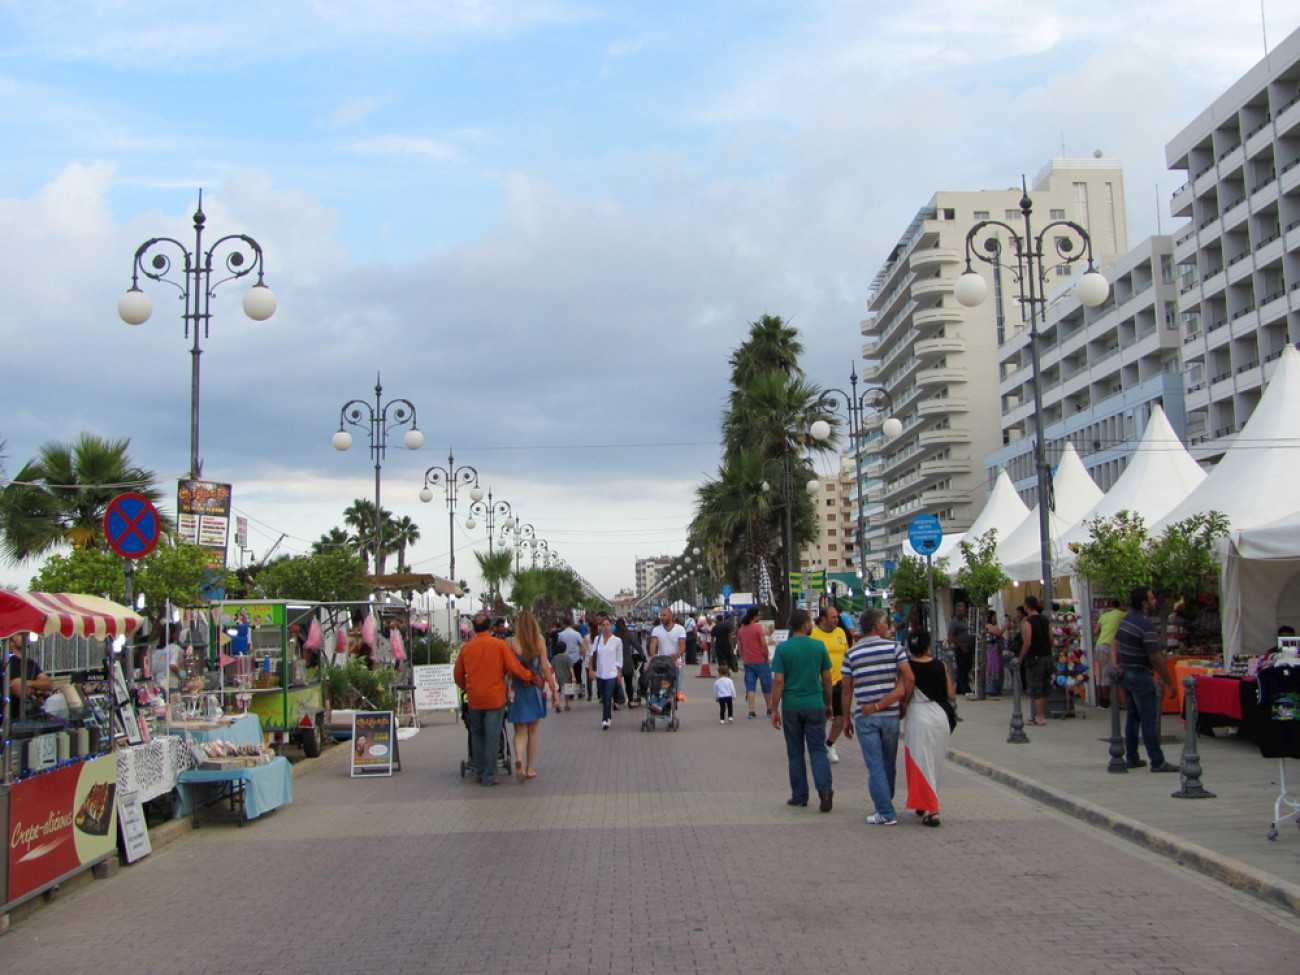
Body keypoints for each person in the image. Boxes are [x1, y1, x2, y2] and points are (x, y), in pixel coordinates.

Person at [454, 611, 544, 786]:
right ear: (490, 627)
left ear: (473, 628)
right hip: (495, 698)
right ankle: (489, 775)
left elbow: (457, 674)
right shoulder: (499, 645)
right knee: (493, 735)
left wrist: (466, 687)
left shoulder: (466, 649)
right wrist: (530, 676)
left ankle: (479, 770)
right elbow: (514, 667)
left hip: (474, 699)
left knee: (477, 733)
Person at [842, 607, 914, 826]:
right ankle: (886, 804)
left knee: (875, 765)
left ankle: (885, 810)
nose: (888, 627)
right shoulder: (894, 647)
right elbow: (909, 677)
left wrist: (846, 718)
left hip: (866, 714)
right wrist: (904, 702)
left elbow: (847, 689)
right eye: (885, 623)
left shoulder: (852, 653)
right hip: (890, 714)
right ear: (876, 626)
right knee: (888, 763)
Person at [770, 610, 834, 812]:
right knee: (818, 749)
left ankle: (799, 795)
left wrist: (774, 708)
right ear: (806, 625)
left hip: (792, 706)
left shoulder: (783, 649)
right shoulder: (818, 646)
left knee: (795, 752)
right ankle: (825, 789)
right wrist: (828, 702)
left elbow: (778, 681)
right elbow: (827, 677)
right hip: (815, 703)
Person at [1115, 586, 1179, 772]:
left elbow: (1116, 641)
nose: (1155, 601)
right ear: (1144, 603)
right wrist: (1169, 682)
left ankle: (1132, 757)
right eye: (1152, 598)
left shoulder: (1126, 620)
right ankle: (1157, 761)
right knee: (1148, 719)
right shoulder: (1145, 624)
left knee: (1133, 717)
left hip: (1126, 673)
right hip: (1140, 674)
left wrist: (1116, 663)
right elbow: (1155, 656)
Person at [902, 628, 953, 827]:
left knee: (920, 761)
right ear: (929, 646)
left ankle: (933, 809)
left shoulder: (906, 667)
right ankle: (925, 801)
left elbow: (904, 690)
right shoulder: (941, 665)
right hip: (940, 716)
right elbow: (950, 693)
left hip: (919, 715)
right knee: (935, 760)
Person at [507, 611, 559, 781]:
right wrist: (554, 688)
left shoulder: (510, 642)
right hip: (535, 688)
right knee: (533, 731)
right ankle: (529, 769)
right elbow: (544, 667)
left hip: (517, 688)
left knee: (520, 731)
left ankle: (519, 759)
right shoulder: (540, 642)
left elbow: (505, 668)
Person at [809, 605, 850, 765]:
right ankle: (817, 745)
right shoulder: (813, 634)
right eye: (833, 617)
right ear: (824, 619)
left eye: (837, 617)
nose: (836, 620)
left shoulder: (840, 633)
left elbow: (847, 653)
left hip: (839, 681)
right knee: (821, 717)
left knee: (840, 717)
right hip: (820, 682)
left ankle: (830, 744)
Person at [1018, 595, 1053, 726]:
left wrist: (1021, 658)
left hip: (1035, 658)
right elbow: (1051, 638)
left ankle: (1040, 716)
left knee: (1036, 687)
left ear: (1027, 606)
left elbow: (1027, 642)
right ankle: (1041, 714)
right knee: (1045, 686)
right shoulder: (1045, 620)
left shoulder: (1028, 622)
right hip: (1047, 656)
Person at [736, 607, 774, 718]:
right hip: (760, 660)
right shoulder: (758, 628)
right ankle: (769, 708)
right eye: (758, 615)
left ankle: (751, 710)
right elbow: (764, 644)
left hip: (748, 661)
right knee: (766, 685)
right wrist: (766, 656)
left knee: (750, 686)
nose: (760, 617)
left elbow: (739, 647)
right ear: (754, 617)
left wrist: (743, 657)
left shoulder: (741, 630)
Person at [7, 633, 53, 721]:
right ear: (11, 642)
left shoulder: (30, 663)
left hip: (34, 715)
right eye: (20, 634)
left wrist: (28, 683)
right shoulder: (8, 663)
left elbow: (49, 684)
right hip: (15, 718)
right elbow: (21, 691)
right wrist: (37, 686)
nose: (26, 635)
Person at [590, 615, 623, 729]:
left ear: (611, 626)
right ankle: (608, 716)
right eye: (603, 625)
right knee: (604, 697)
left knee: (608, 696)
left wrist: (619, 673)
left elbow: (619, 658)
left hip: (612, 673)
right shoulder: (597, 639)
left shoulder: (617, 640)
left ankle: (605, 719)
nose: (606, 627)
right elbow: (592, 655)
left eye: (608, 625)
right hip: (600, 672)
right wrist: (591, 670)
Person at [648, 608, 687, 699]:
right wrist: (653, 656)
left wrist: (677, 654)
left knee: (676, 688)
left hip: (676, 663)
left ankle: (676, 698)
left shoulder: (680, 629)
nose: (662, 617)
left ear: (671, 616)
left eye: (664, 615)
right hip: (661, 663)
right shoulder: (657, 629)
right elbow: (653, 644)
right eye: (661, 615)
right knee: (661, 687)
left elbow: (682, 645)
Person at [1093, 602, 1124, 710]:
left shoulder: (1104, 616)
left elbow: (1096, 631)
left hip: (1099, 645)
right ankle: (1106, 702)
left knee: (1100, 675)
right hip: (1109, 646)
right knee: (1107, 675)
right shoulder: (1122, 614)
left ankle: (1101, 701)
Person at [947, 601, 975, 697]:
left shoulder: (966, 620)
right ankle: (964, 688)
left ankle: (959, 688)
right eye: (959, 610)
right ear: (956, 611)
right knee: (962, 668)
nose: (961, 612)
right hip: (960, 647)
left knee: (967, 667)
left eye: (963, 610)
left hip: (969, 646)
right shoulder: (954, 622)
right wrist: (961, 645)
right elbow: (950, 636)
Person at [615, 619, 643, 707]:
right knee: (628, 683)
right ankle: (630, 700)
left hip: (616, 661)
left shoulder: (614, 635)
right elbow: (637, 645)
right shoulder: (628, 634)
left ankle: (616, 702)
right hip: (627, 660)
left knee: (616, 683)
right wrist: (642, 654)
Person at [557, 620, 584, 703]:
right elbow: (581, 644)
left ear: (564, 625)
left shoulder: (561, 635)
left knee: (568, 677)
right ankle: (580, 693)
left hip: (566, 658)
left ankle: (570, 694)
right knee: (578, 676)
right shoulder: (576, 634)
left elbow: (559, 645)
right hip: (576, 657)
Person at [984, 610, 1005, 697]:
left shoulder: (993, 626)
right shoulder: (988, 626)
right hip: (992, 651)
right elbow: (999, 632)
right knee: (994, 668)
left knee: (998, 668)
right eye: (994, 617)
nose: (995, 619)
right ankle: (992, 688)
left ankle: (997, 687)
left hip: (997, 651)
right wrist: (1006, 625)